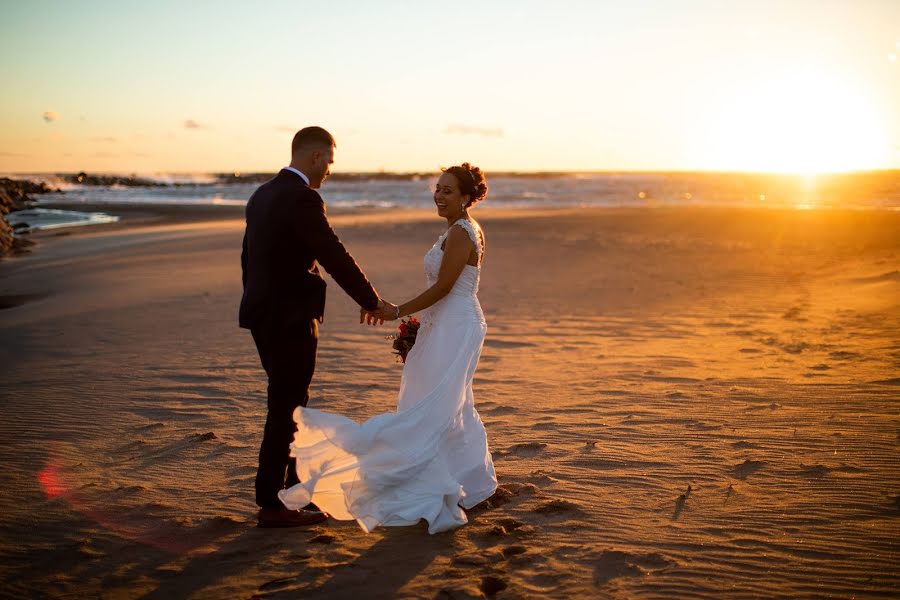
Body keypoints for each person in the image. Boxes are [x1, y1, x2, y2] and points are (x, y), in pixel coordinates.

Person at [278, 162, 497, 534]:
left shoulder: (463, 232)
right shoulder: (455, 230)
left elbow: (444, 288)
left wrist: (397, 311)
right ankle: (466, 480)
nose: (439, 195)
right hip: (442, 323)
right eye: (438, 188)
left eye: (448, 190)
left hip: (456, 325)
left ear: (466, 197)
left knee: (438, 403)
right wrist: (416, 325)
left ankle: (451, 482)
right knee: (441, 400)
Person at [239, 126, 394, 528]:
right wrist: (370, 300)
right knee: (288, 407)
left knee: (286, 403)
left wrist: (257, 303)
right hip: (289, 318)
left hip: (262, 314)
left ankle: (290, 493)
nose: (329, 171)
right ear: (314, 157)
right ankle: (274, 503)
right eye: (328, 161)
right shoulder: (303, 198)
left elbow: (248, 259)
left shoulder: (262, 194)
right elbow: (332, 254)